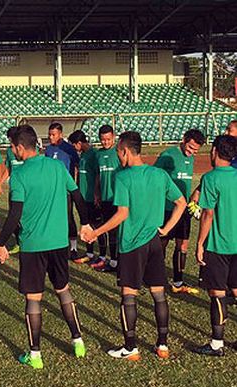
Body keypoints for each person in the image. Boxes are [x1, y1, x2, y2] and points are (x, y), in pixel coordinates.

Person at [81, 131, 186, 361]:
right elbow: (181, 202)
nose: (118, 156)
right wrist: (166, 229)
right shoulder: (159, 175)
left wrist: (96, 232)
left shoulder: (124, 177)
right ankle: (163, 345)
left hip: (131, 245)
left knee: (129, 295)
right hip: (154, 243)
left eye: (119, 151)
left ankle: (130, 347)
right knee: (159, 294)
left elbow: (122, 214)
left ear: (126, 151)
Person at [0, 125, 90, 369]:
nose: (11, 151)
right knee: (63, 290)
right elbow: (77, 195)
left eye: (12, 146)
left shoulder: (21, 175)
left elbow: (15, 214)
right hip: (59, 243)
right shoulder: (57, 167)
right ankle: (78, 341)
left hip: (33, 245)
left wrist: (0, 243)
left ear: (20, 148)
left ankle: (35, 355)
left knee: (33, 298)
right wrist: (85, 222)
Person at [193, 135, 237, 356]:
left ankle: (217, 344)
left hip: (219, 245)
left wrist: (200, 243)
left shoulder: (210, 178)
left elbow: (208, 214)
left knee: (217, 292)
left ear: (215, 151)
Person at [154, 129, 205, 294]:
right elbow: (155, 177)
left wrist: (193, 202)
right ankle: (157, 278)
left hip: (184, 210)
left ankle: (178, 282)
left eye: (195, 150)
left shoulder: (191, 158)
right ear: (184, 140)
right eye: (190, 147)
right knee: (162, 241)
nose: (192, 152)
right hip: (167, 208)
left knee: (183, 244)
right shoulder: (167, 155)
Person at [46, 123, 82, 260]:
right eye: (49, 134)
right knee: (53, 217)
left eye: (53, 134)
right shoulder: (48, 150)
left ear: (60, 134)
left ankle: (73, 247)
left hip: (66, 190)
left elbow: (78, 166)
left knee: (68, 217)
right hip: (52, 190)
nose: (51, 137)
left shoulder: (69, 149)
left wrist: (75, 184)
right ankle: (56, 245)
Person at [68, 130, 104, 264]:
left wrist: (96, 193)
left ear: (79, 143)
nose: (73, 148)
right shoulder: (82, 155)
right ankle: (89, 253)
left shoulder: (94, 155)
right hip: (83, 197)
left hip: (91, 197)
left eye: (74, 145)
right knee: (86, 225)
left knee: (97, 226)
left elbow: (98, 175)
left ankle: (102, 256)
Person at [93, 124, 121, 272]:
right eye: (103, 140)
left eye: (109, 139)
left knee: (116, 231)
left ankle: (116, 261)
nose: (106, 142)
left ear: (114, 137)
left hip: (117, 198)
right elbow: (98, 175)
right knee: (108, 229)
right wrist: (97, 193)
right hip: (104, 198)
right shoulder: (98, 154)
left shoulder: (118, 152)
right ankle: (111, 259)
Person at [2, 126, 25, 254]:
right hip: (14, 189)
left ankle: (26, 240)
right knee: (14, 215)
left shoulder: (28, 150)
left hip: (27, 190)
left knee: (25, 215)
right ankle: (18, 242)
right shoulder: (10, 152)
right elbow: (8, 169)